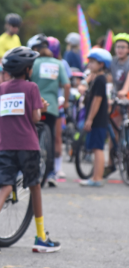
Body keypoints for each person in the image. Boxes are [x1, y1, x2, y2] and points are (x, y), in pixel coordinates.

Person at [0, 46, 61, 254]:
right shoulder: (32, 88)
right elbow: (36, 118)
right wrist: (42, 107)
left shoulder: (3, 88)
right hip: (28, 145)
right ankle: (40, 237)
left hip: (5, 145)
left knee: (5, 186)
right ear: (27, 69)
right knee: (35, 187)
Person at [28, 34, 70, 187]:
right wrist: (65, 103)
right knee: (51, 137)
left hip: (35, 105)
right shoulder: (58, 64)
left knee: (31, 136)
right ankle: (51, 172)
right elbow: (67, 85)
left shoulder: (33, 63)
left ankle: (28, 169)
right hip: (52, 106)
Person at [79, 49, 112, 187]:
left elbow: (96, 101)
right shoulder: (95, 78)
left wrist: (90, 119)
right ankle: (95, 176)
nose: (89, 65)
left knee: (97, 148)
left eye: (93, 62)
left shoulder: (100, 80)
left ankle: (97, 177)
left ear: (101, 64)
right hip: (97, 119)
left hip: (98, 120)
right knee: (94, 147)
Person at [103, 33, 129, 177]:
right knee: (113, 130)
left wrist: (124, 90)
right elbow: (98, 71)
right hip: (117, 98)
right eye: (118, 46)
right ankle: (110, 163)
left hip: (127, 95)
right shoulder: (112, 61)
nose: (120, 49)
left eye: (123, 47)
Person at [47, 36, 72, 179]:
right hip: (46, 105)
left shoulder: (62, 64)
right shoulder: (40, 62)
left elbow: (66, 83)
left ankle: (58, 166)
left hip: (58, 104)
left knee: (57, 137)